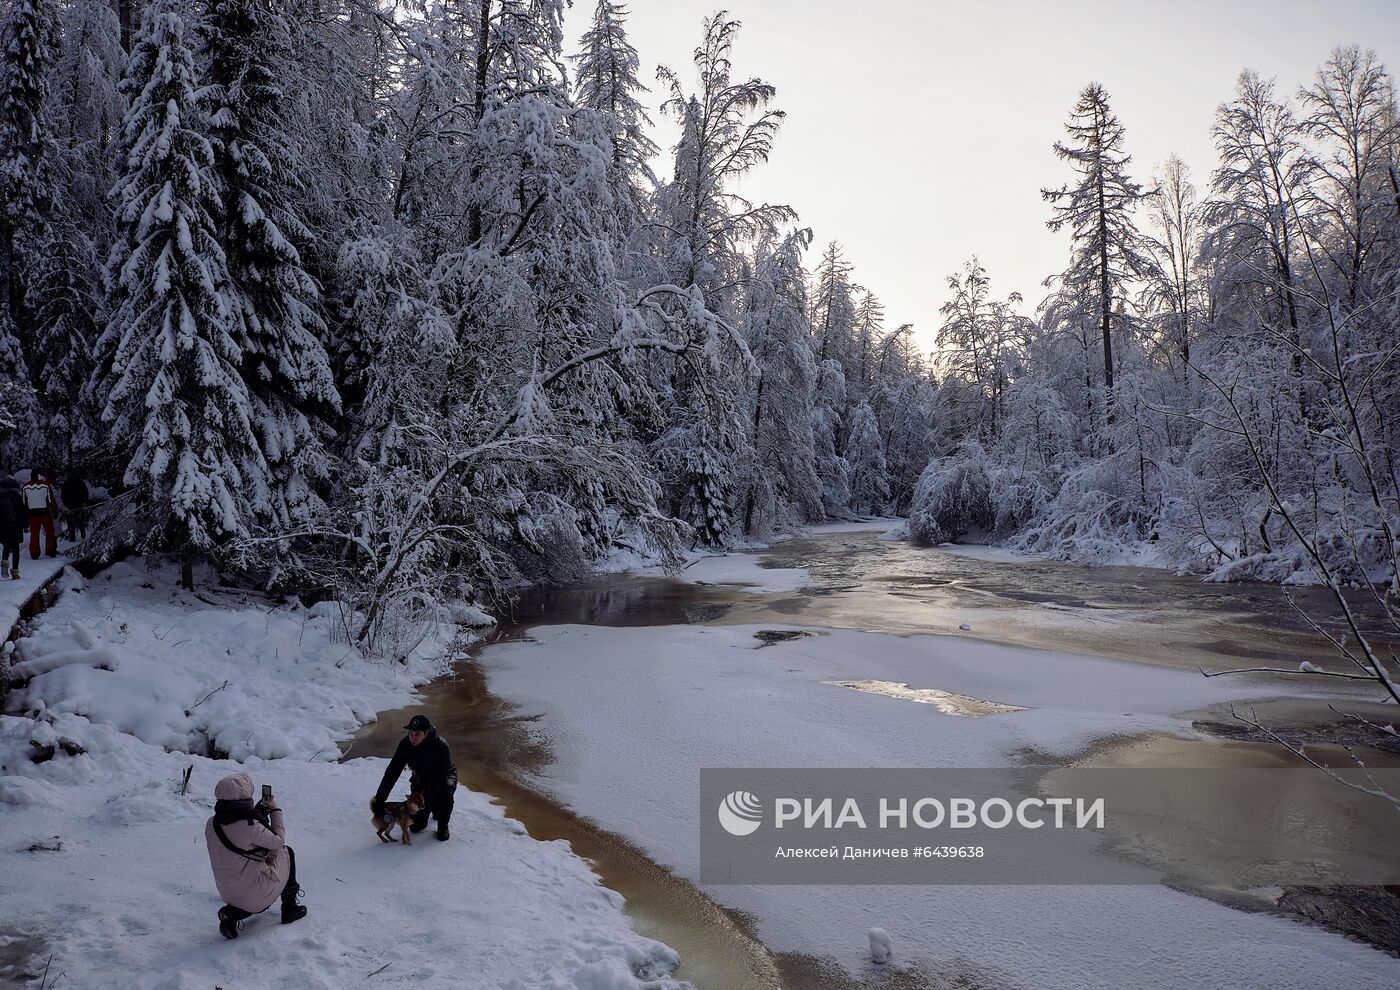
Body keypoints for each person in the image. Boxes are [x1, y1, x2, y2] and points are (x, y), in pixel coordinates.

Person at [205, 772, 308, 939]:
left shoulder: (212, 823)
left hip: (227, 892)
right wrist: (275, 810)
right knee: (286, 852)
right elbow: (278, 841)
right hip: (255, 893)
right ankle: (290, 909)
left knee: (247, 894)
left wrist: (256, 814)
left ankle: (232, 914)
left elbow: (238, 832)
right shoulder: (250, 826)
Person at [372, 714, 457, 841]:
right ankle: (432, 808)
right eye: (411, 733)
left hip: (444, 776)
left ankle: (443, 823)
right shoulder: (405, 745)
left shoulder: (440, 745)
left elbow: (439, 779)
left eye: (417, 734)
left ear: (426, 732)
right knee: (417, 826)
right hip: (421, 778)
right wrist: (380, 800)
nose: (413, 737)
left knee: (444, 795)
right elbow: (392, 773)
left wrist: (426, 803)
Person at [21, 469, 57, 560]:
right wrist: (54, 511)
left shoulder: (25, 487)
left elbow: (23, 502)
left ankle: (34, 553)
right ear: (40, 476)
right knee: (49, 531)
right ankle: (50, 550)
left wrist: (25, 514)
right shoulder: (46, 485)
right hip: (44, 513)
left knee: (34, 533)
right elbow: (50, 500)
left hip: (32, 514)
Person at [0, 470, 23, 579]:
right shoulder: (17, 497)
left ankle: (4, 563)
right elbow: (23, 512)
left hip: (4, 526)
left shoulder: (1, 498)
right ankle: (15, 572)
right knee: (15, 549)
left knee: (6, 546)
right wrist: (25, 525)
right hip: (16, 525)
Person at [60, 468, 89, 543]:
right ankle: (79, 532)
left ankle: (74, 535)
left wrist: (65, 504)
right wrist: (84, 501)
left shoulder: (68, 483)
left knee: (71, 521)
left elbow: (63, 495)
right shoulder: (79, 482)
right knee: (77, 520)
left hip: (72, 504)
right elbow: (85, 492)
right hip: (75, 504)